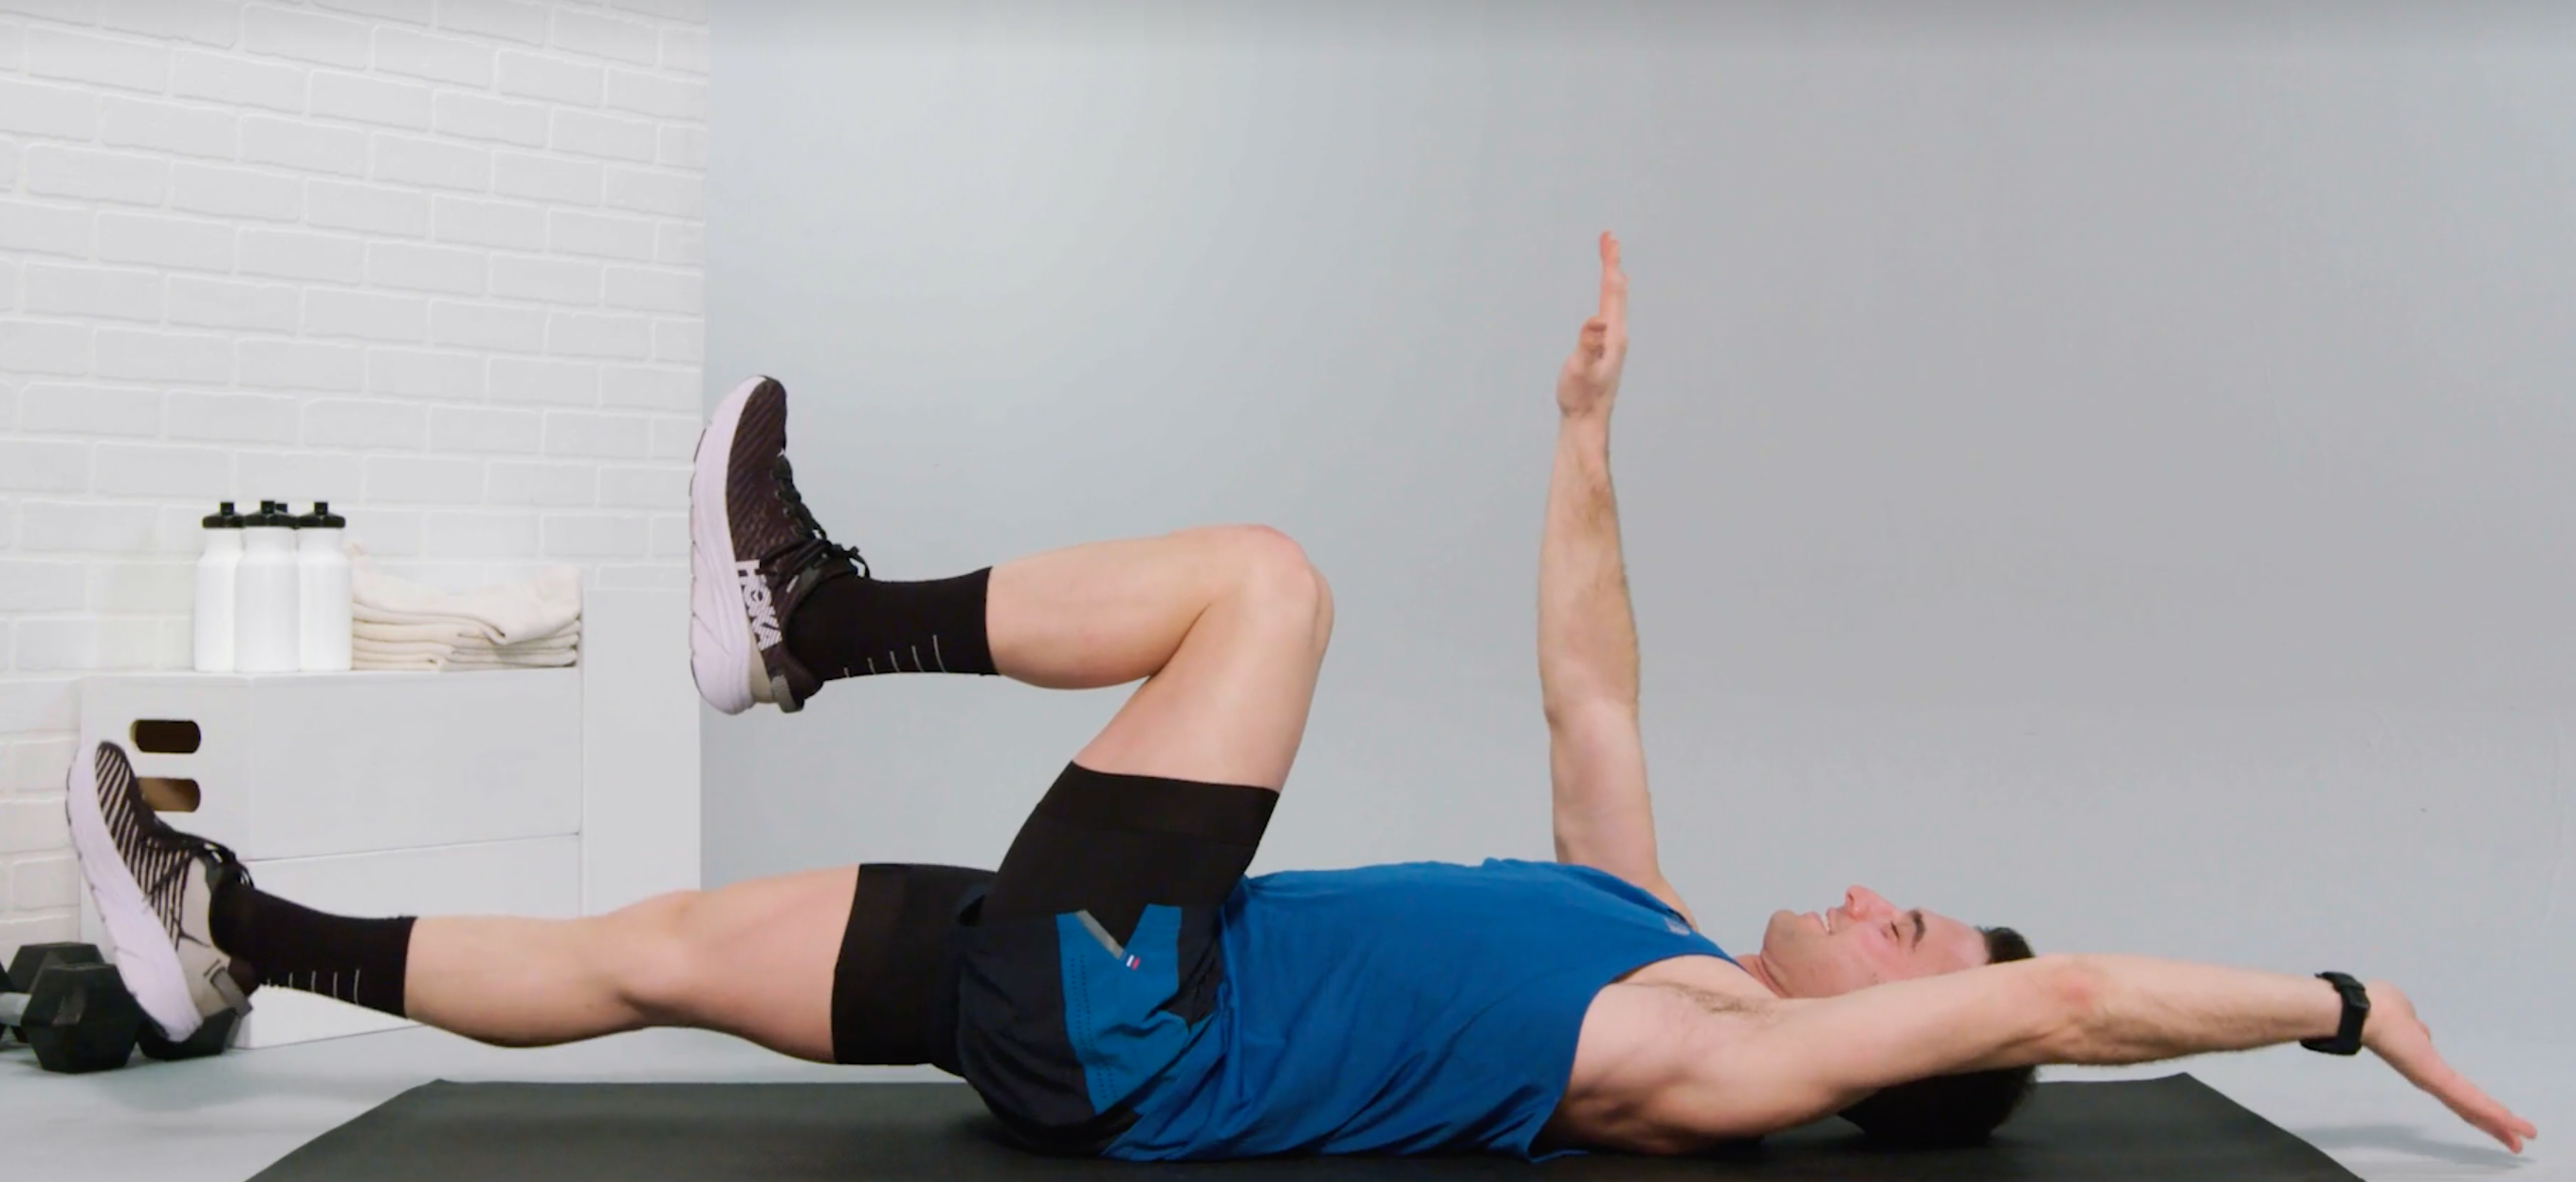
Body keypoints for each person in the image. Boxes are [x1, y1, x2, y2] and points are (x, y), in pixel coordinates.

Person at [69, 234, 2534, 1160]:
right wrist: (1579, 439)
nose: (1879, 898)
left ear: (1904, 1038)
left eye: (1915, 935)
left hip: (1138, 1029)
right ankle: (234, 928)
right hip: (1108, 1002)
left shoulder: (1717, 1063)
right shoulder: (1632, 912)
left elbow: (2085, 992)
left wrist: (2336, 997)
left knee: (1258, 585)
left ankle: (811, 618)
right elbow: (1589, 671)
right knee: (640, 953)